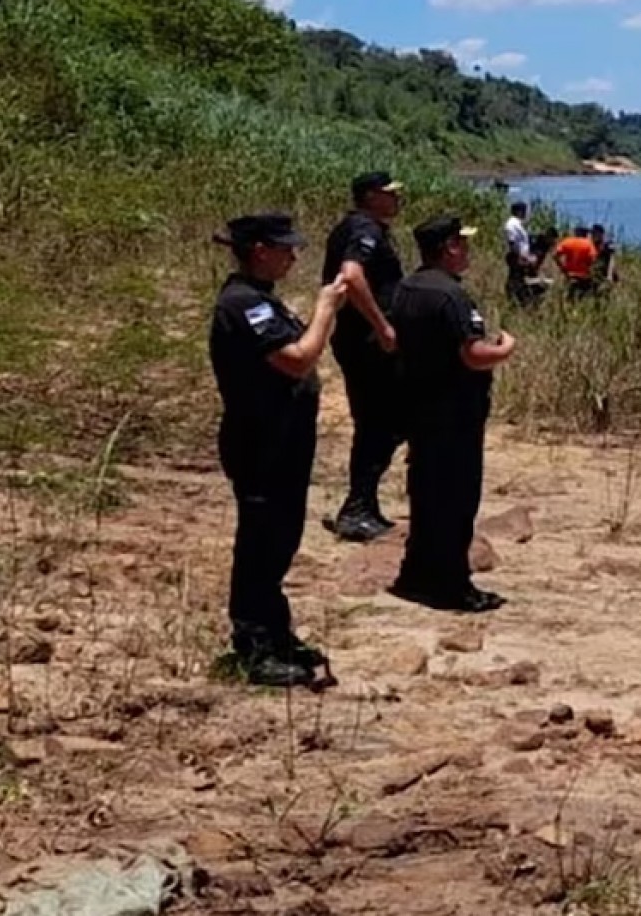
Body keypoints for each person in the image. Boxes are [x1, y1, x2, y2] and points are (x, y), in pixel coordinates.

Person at [208, 213, 345, 687]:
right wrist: (326, 309)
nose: (294, 255)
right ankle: (254, 644)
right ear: (260, 250)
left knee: (280, 537)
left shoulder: (262, 300)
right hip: (259, 442)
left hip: (282, 441)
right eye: (286, 248)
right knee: (261, 541)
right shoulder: (244, 304)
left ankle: (274, 629)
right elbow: (296, 358)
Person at [387, 215, 517, 613]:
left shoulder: (406, 288)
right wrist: (505, 348)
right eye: (463, 243)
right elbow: (473, 354)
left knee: (426, 494)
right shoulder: (451, 296)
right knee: (456, 500)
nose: (469, 251)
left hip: (419, 406)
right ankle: (451, 584)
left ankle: (416, 573)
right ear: (449, 248)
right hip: (454, 412)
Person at [322, 171, 407, 542]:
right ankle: (357, 508)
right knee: (380, 422)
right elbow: (351, 275)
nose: (396, 200)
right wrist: (382, 325)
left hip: (364, 340)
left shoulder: (362, 227)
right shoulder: (364, 229)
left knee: (384, 422)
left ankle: (364, 504)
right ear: (371, 196)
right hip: (367, 342)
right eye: (390, 194)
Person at [502, 200, 551, 307]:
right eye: (524, 211)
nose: (526, 214)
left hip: (521, 257)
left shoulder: (517, 224)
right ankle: (517, 299)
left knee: (522, 280)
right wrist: (523, 257)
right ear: (520, 211)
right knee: (517, 279)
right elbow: (512, 242)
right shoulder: (512, 224)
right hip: (518, 257)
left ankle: (522, 299)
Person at [554, 225, 598, 301]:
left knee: (568, 300)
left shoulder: (567, 241)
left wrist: (563, 268)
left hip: (570, 276)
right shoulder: (589, 244)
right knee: (583, 300)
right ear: (585, 234)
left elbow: (555, 255)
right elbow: (593, 260)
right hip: (584, 278)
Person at [588, 223, 619, 291]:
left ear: (601, 234)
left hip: (605, 272)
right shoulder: (589, 245)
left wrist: (609, 275)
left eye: (595, 233)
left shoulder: (606, 245)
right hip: (594, 273)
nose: (593, 236)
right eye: (592, 233)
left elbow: (611, 260)